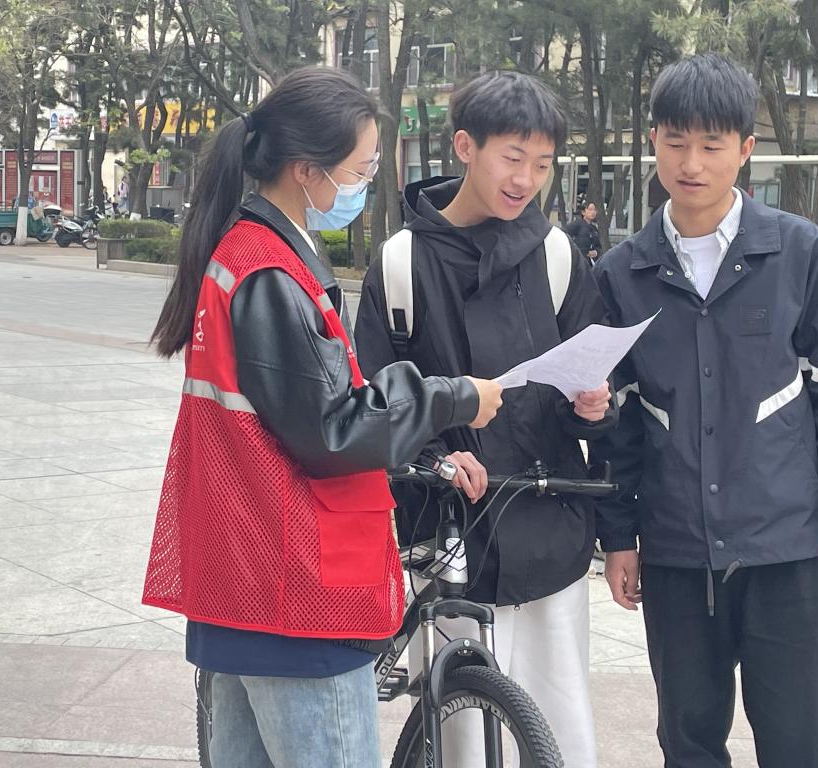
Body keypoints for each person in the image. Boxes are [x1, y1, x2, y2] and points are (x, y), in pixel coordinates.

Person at [142, 67, 503, 768]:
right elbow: (334, 429)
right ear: (306, 171)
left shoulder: (246, 256)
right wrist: (454, 396)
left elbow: (294, 415)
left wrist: (421, 443)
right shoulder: (271, 273)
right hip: (296, 594)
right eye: (359, 170)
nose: (364, 184)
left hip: (244, 580)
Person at [592, 53, 818, 768]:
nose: (691, 163)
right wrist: (619, 534)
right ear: (653, 141)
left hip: (788, 548)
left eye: (712, 144)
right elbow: (618, 420)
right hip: (676, 553)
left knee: (805, 742)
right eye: (675, 142)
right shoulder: (622, 274)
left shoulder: (800, 253)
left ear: (746, 149)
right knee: (688, 743)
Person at [355, 70, 614, 768]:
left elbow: (593, 384)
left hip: (548, 526)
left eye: (543, 164)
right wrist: (437, 456)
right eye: (512, 157)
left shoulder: (557, 256)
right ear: (466, 147)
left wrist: (595, 405)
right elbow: (377, 399)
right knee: (463, 736)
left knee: (559, 726)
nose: (525, 179)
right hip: (449, 535)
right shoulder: (402, 263)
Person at [565, 199, 602, 265]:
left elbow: (598, 247)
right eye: (590, 209)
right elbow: (564, 233)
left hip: (590, 263)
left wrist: (596, 252)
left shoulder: (594, 229)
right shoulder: (577, 224)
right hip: (578, 262)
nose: (593, 212)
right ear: (583, 212)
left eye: (594, 210)